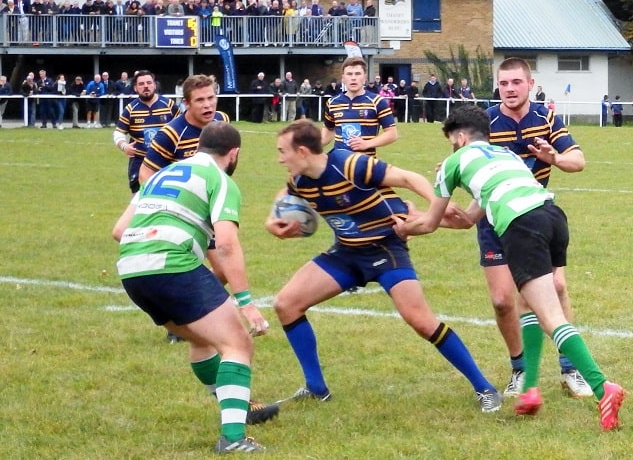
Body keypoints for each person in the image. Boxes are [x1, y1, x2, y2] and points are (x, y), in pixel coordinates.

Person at [392, 105, 625, 431]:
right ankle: (530, 389)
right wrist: (422, 220)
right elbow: (469, 219)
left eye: (452, 142)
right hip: (552, 216)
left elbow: (430, 223)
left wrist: (405, 227)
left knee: (551, 317)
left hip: (522, 225)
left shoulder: (453, 163)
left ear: (460, 138)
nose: (452, 148)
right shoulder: (505, 155)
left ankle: (603, 387)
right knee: (527, 303)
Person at [265, 119, 503, 413]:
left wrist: (434, 205)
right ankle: (316, 388)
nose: (280, 159)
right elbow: (285, 194)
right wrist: (272, 220)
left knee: (421, 321)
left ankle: (485, 388)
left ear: (302, 151)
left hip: (385, 248)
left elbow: (408, 178)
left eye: (283, 151)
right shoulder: (300, 179)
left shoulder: (349, 164)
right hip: (346, 252)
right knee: (286, 304)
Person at [112, 74, 279, 425]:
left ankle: (238, 405)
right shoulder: (219, 178)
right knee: (238, 342)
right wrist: (247, 304)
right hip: (172, 262)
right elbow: (228, 244)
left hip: (131, 267)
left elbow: (118, 231)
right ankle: (233, 439)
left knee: (204, 338)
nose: (207, 104)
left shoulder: (163, 175)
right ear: (234, 153)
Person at [484, 57, 591, 398]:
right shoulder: (486, 121)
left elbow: (578, 161)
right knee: (502, 300)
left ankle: (570, 369)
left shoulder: (545, 118)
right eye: (504, 83)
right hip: (495, 219)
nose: (509, 89)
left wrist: (554, 158)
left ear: (530, 84)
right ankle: (519, 369)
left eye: (516, 82)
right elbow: (466, 159)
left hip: (534, 217)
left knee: (557, 287)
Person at [113, 70, 181, 194]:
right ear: (135, 88)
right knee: (138, 198)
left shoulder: (169, 105)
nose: (146, 86)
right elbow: (118, 132)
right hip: (139, 160)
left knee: (167, 197)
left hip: (165, 159)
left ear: (154, 85)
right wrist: (124, 146)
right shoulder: (130, 109)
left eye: (149, 83)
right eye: (141, 84)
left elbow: (182, 127)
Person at [322, 56, 396, 157]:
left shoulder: (377, 102)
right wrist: (311, 146)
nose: (353, 78)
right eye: (349, 74)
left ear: (365, 77)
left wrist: (367, 144)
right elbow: (328, 129)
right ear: (343, 78)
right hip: (339, 162)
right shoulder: (332, 103)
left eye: (357, 74)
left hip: (366, 163)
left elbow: (392, 134)